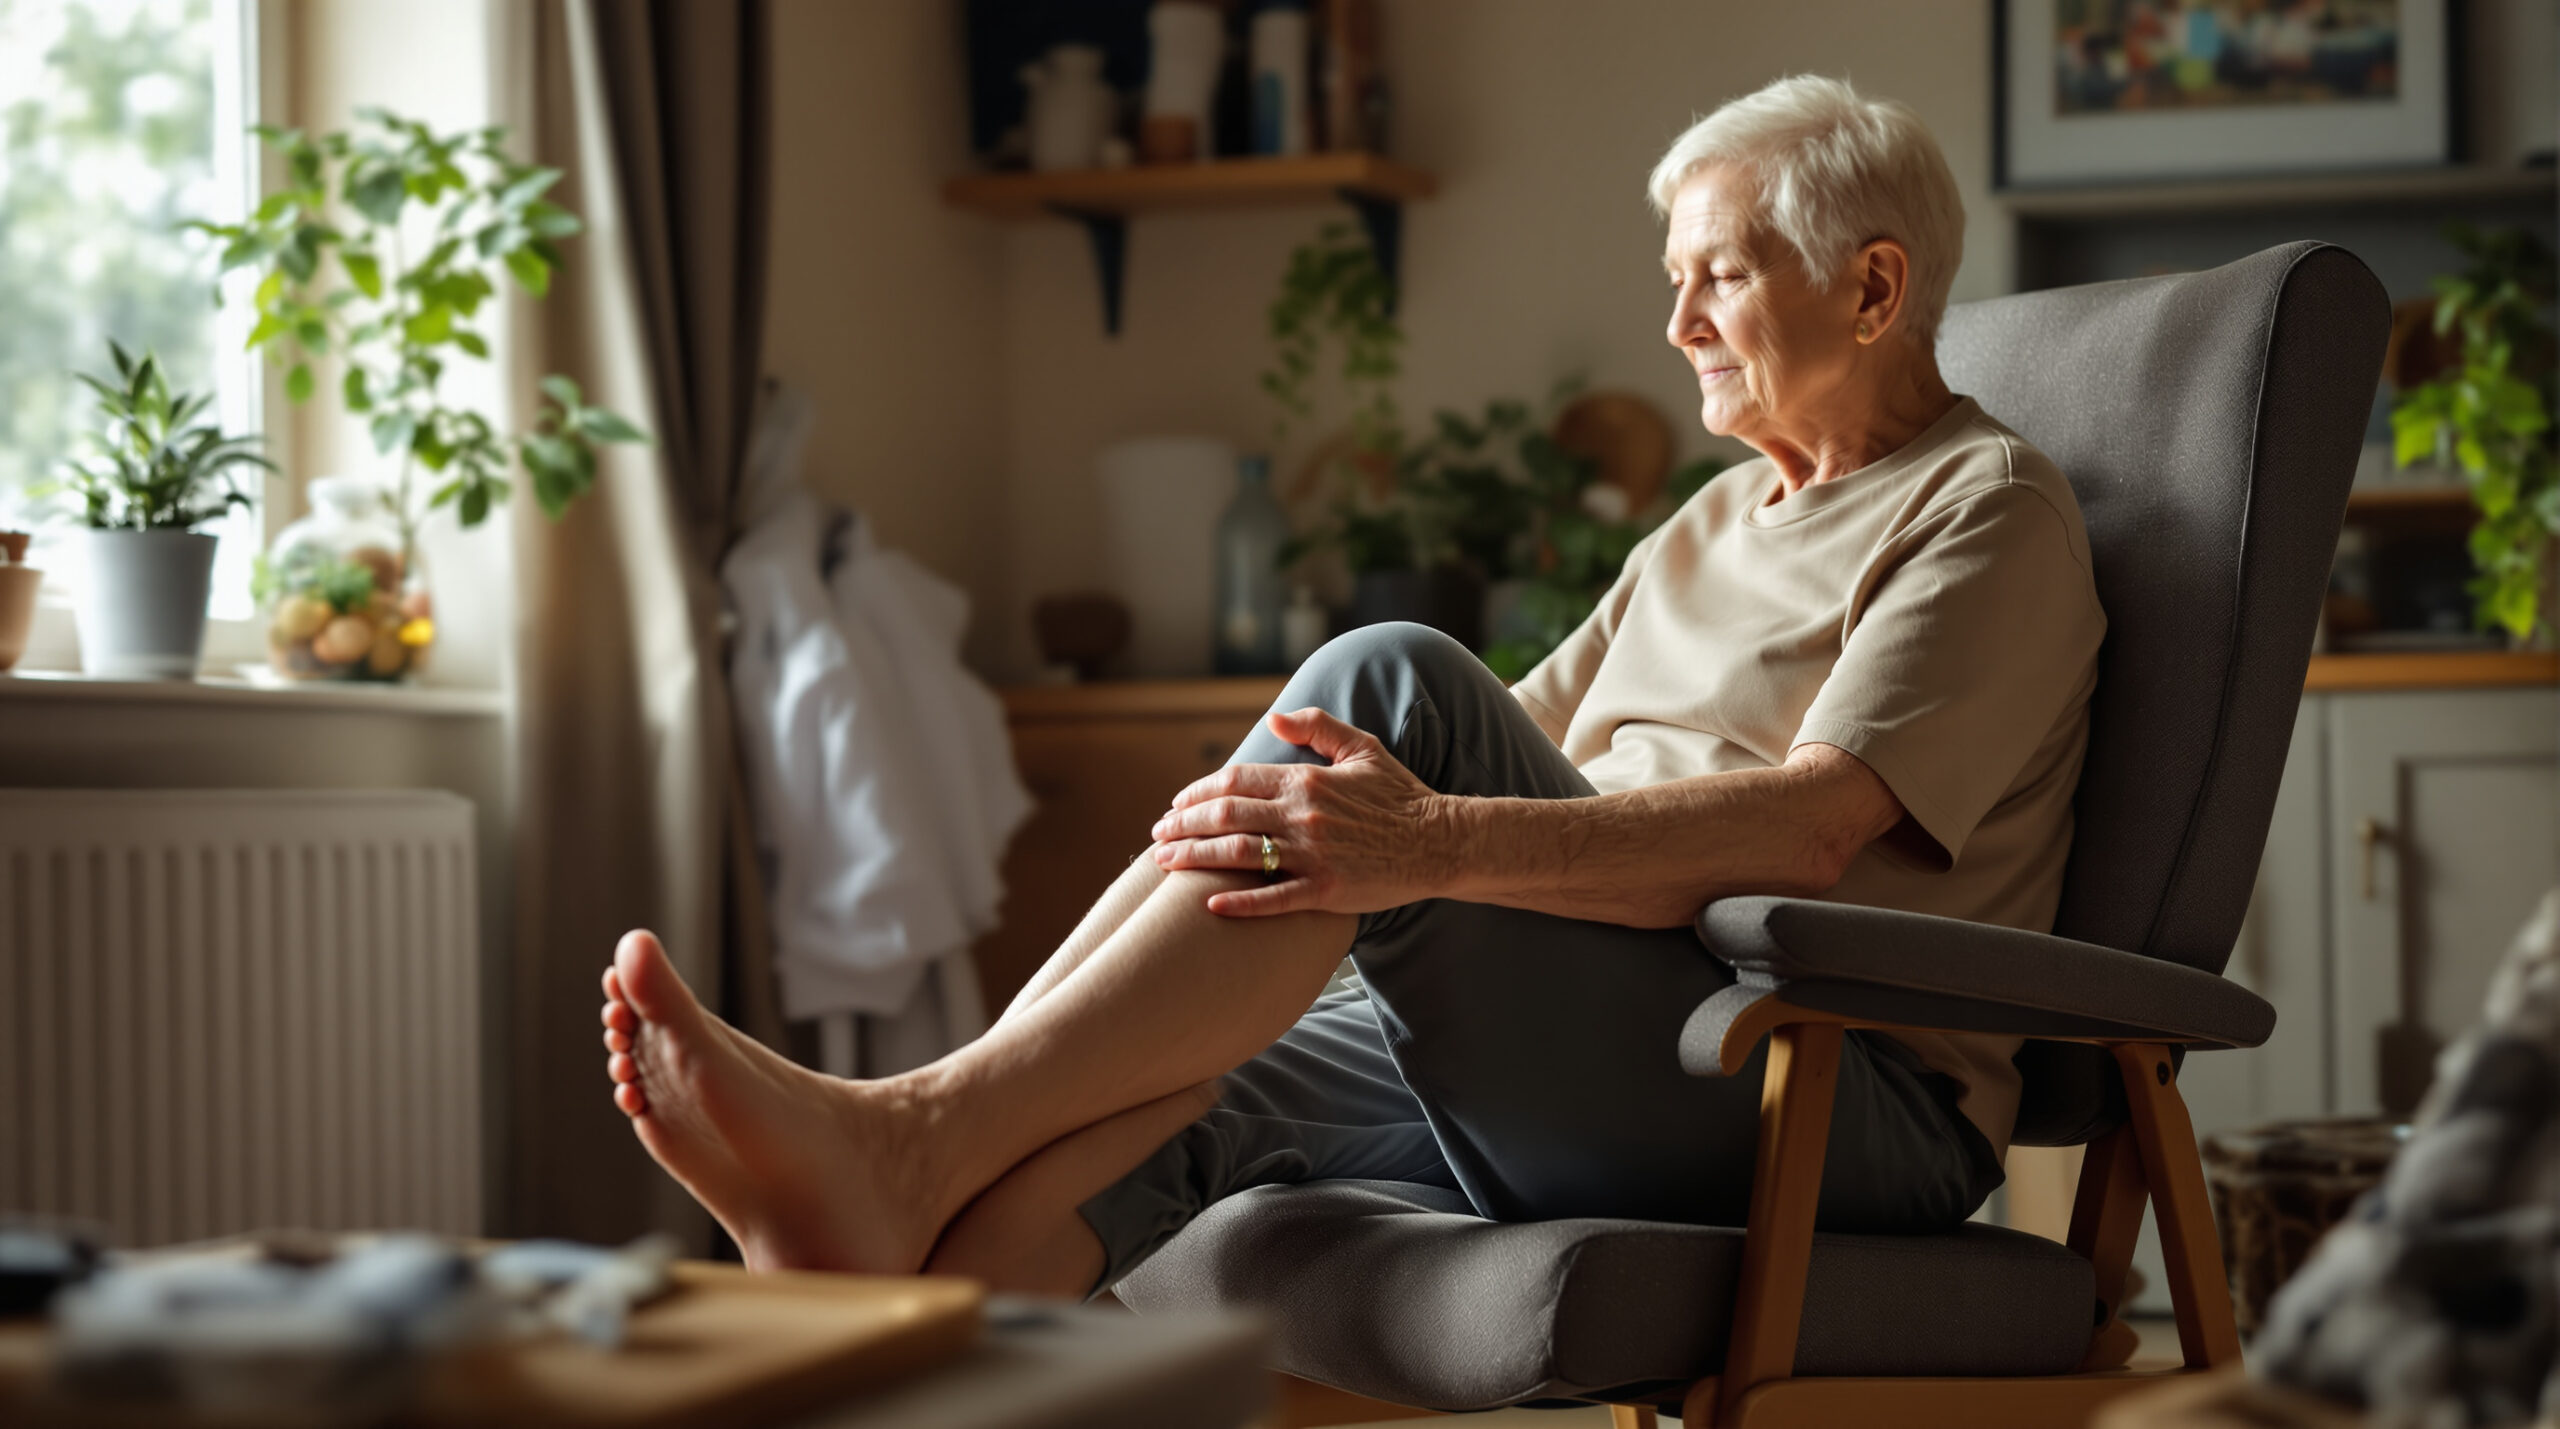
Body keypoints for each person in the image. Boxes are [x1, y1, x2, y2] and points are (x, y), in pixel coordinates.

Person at [596, 73, 2105, 1298]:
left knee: (1381, 680)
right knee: (1171, 1090)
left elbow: (1813, 829)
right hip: (1615, 1032)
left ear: (1873, 287)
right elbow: (1522, 733)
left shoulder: (1983, 510)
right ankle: (867, 1295)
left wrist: (1429, 843)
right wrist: (1295, 831)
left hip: (1815, 1087)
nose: (1678, 325)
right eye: (1675, 282)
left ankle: (914, 1121)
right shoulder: (1710, 523)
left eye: (1718, 276)